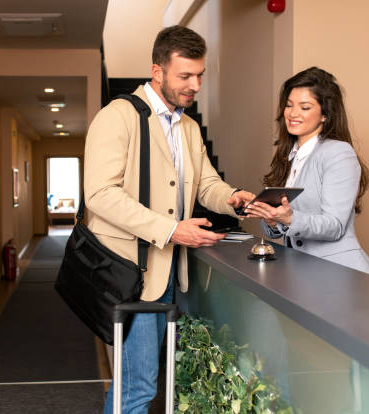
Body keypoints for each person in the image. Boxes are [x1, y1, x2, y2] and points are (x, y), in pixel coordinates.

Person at [84, 26, 254, 413]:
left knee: (136, 383)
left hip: (170, 275)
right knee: (140, 387)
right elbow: (99, 194)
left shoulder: (189, 127)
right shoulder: (118, 117)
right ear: (157, 72)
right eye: (185, 76)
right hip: (131, 276)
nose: (195, 85)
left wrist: (233, 198)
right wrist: (172, 229)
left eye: (200, 75)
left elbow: (206, 184)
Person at [244, 66, 369, 276]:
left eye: (305, 107)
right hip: (304, 271)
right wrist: (272, 219)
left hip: (340, 272)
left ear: (325, 114)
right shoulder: (291, 155)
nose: (293, 113)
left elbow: (334, 226)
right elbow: (289, 223)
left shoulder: (339, 153)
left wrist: (289, 219)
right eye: (289, 105)